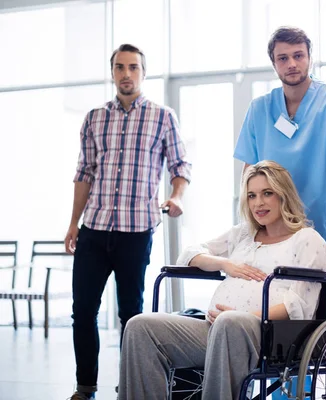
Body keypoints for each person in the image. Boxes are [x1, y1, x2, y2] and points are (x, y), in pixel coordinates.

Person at [117, 160, 326, 399]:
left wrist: (245, 316)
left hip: (269, 337)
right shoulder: (243, 234)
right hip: (216, 328)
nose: (258, 203)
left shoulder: (307, 240)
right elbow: (189, 253)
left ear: (283, 195)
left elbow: (299, 305)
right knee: (139, 326)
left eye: (267, 193)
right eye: (251, 195)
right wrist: (225, 264)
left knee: (230, 323)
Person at [233, 26, 326, 393]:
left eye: (298, 55)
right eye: (283, 57)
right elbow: (249, 172)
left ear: (309, 56)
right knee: (285, 312)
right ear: (273, 62)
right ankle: (289, 391)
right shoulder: (261, 109)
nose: (291, 64)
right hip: (281, 231)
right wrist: (248, 225)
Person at [64, 44, 192, 400]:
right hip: (95, 229)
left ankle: (129, 384)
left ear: (143, 73)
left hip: (136, 231)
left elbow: (181, 166)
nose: (126, 74)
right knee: (82, 311)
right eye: (120, 67)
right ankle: (85, 386)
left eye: (133, 67)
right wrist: (74, 223)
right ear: (112, 73)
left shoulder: (162, 117)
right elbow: (84, 173)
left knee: (131, 315)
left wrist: (177, 197)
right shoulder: (93, 118)